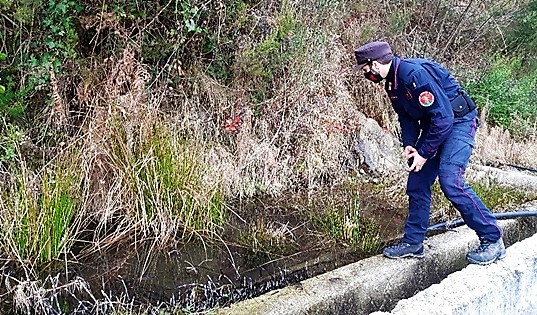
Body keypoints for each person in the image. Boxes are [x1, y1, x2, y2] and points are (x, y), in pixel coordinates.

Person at [353, 40, 505, 265]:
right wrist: (410, 144)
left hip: (459, 122)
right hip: (436, 124)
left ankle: (492, 240)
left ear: (374, 64)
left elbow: (444, 118)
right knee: (417, 182)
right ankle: (413, 243)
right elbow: (406, 116)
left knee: (451, 181)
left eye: (365, 69)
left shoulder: (413, 75)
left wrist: (424, 153)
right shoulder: (392, 84)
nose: (366, 74)